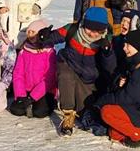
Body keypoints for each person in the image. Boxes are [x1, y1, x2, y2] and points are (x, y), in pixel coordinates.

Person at [40, 7, 117, 136]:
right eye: (89, 29)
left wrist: (107, 53)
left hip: (88, 76)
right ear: (84, 24)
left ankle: (82, 112)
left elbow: (110, 68)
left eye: (98, 31)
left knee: (84, 109)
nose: (93, 34)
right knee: (66, 77)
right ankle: (68, 115)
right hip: (68, 64)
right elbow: (54, 37)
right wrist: (44, 37)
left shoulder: (106, 40)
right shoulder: (72, 29)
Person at [95, 30, 140, 150]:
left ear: (137, 47)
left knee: (107, 112)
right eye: (124, 44)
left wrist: (101, 101)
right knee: (113, 133)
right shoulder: (133, 62)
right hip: (138, 106)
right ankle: (139, 131)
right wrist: (119, 84)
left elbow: (127, 97)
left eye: (128, 45)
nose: (124, 48)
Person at [9, 19, 58, 119]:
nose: (30, 35)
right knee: (16, 110)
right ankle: (28, 103)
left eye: (33, 32)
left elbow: (49, 79)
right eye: (29, 32)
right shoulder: (24, 51)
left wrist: (32, 97)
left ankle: (49, 103)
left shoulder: (49, 52)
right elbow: (18, 74)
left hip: (44, 90)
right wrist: (21, 95)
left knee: (40, 112)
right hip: (26, 89)